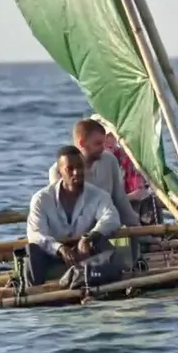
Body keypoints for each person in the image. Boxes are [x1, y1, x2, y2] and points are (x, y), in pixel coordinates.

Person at [25, 146, 123, 287]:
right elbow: (36, 234)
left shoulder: (99, 195)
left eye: (80, 167)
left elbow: (112, 218)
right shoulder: (41, 199)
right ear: (60, 172)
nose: (76, 172)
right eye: (70, 169)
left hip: (85, 254)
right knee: (32, 251)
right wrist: (60, 249)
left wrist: (90, 237)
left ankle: (85, 280)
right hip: (52, 255)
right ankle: (38, 290)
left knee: (108, 250)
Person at [50, 119, 142, 228]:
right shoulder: (58, 171)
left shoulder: (109, 160)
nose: (103, 148)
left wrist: (138, 228)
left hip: (107, 225)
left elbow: (120, 201)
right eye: (97, 144)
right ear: (82, 143)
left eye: (103, 143)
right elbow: (62, 214)